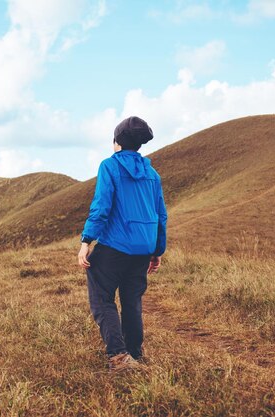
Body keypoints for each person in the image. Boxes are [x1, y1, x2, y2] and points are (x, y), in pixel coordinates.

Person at [78, 116, 167, 372]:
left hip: (114, 246)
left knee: (102, 299)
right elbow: (161, 214)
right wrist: (157, 250)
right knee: (132, 301)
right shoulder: (152, 174)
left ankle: (118, 357)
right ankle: (135, 354)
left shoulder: (110, 166)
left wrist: (86, 241)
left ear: (117, 141)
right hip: (142, 249)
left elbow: (101, 206)